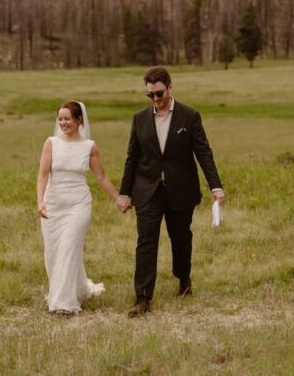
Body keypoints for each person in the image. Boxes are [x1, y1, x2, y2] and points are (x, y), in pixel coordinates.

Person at [118, 66, 224, 317]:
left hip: (180, 189)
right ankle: (143, 297)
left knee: (181, 238)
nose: (155, 100)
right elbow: (132, 158)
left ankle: (183, 279)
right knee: (145, 242)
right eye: (150, 95)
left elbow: (203, 152)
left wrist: (215, 186)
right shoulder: (140, 119)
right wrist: (124, 193)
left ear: (170, 88)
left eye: (159, 94)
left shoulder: (189, 116)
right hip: (148, 190)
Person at [36, 101, 121, 315]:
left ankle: (64, 304)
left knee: (69, 248)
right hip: (53, 204)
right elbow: (43, 173)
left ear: (79, 120)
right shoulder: (51, 143)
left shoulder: (89, 146)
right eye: (60, 119)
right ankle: (77, 289)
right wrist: (40, 201)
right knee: (54, 252)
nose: (63, 122)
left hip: (78, 205)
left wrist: (118, 198)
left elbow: (100, 176)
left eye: (67, 118)